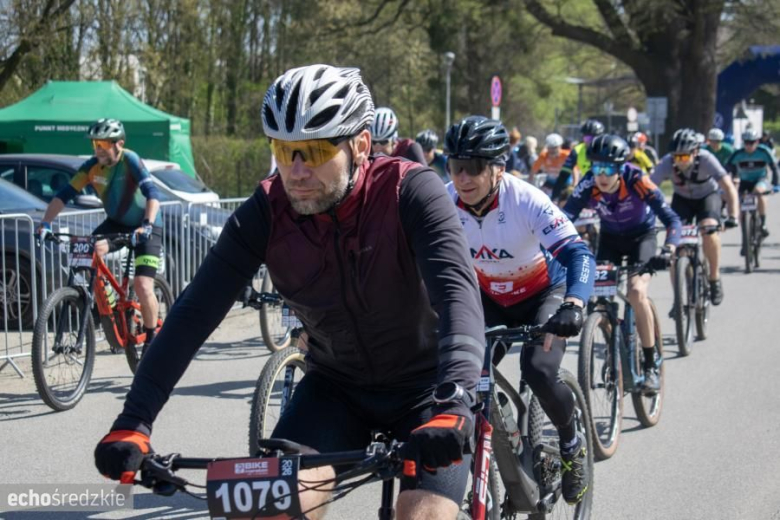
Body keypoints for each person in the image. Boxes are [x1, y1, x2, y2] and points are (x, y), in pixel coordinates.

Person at [93, 65, 486, 520]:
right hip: (336, 389)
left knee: (422, 513)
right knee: (269, 511)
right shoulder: (266, 210)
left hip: (427, 388)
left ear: (360, 145)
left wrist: (455, 397)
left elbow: (458, 295)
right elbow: (192, 315)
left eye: (315, 150)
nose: (296, 171)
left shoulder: (410, 190)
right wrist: (134, 421)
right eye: (284, 150)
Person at [445, 115, 595, 505]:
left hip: (543, 292)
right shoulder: (445, 201)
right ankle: (499, 446)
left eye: (474, 167)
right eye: (456, 166)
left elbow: (577, 252)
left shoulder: (525, 199)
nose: (463, 178)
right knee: (458, 373)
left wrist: (574, 304)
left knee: (540, 370)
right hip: (489, 298)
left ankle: (570, 443)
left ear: (498, 169)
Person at [563, 135, 681, 393]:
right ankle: (610, 341)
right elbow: (561, 220)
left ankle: (650, 365)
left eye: (609, 168)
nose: (602, 175)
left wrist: (669, 247)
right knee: (599, 299)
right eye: (596, 167)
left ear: (621, 168)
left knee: (636, 292)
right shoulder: (588, 184)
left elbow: (672, 219)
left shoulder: (637, 179)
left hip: (642, 237)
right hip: (610, 240)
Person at [36, 118, 162, 351]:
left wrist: (146, 224)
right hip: (116, 223)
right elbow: (63, 195)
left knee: (143, 285)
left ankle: (153, 340)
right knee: (88, 250)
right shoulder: (91, 166)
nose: (97, 150)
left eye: (102, 144)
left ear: (118, 143)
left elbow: (153, 194)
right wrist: (45, 224)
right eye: (95, 144)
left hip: (147, 224)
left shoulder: (130, 160)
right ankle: (108, 306)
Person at [651, 128, 739, 306]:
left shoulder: (707, 159)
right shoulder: (668, 162)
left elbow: (728, 187)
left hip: (707, 197)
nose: (680, 161)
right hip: (682, 200)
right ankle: (678, 298)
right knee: (674, 247)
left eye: (684, 157)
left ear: (695, 152)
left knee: (709, 229)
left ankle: (714, 278)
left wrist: (733, 215)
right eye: (676, 157)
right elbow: (649, 189)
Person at [726, 128, 780, 238]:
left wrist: (776, 184)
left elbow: (774, 168)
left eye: (752, 142)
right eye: (746, 143)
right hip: (744, 181)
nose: (749, 146)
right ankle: (744, 237)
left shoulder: (764, 151)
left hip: (760, 179)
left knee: (759, 192)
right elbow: (727, 168)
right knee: (739, 205)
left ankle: (763, 223)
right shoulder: (738, 154)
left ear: (757, 142)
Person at [552, 119, 605, 200]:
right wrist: (554, 198)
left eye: (595, 138)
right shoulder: (577, 151)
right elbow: (563, 176)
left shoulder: (607, 149)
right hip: (589, 188)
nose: (591, 142)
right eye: (588, 138)